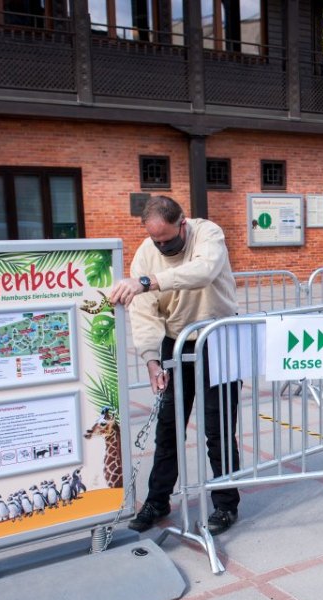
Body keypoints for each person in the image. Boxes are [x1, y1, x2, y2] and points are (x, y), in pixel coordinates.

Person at [109, 195, 241, 535]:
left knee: (218, 427)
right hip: (176, 341)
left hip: (219, 338)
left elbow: (204, 271)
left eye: (168, 239)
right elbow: (143, 311)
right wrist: (152, 360)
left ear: (183, 223)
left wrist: (147, 282)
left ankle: (225, 505)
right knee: (167, 426)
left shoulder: (207, 233)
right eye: (156, 240)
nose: (162, 246)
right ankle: (158, 499)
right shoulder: (146, 253)